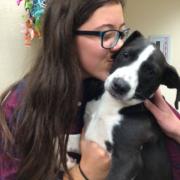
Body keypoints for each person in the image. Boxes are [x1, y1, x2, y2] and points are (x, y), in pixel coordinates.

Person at [0, 0, 180, 180]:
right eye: (106, 33)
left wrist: (177, 130)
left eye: (121, 32)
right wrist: (83, 174)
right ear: (66, 37)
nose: (119, 45)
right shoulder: (20, 106)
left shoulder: (127, 90)